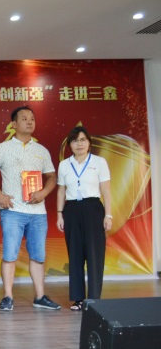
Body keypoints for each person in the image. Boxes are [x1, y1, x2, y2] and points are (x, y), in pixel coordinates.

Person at [0, 106, 61, 312]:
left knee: (38, 256)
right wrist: (0, 195)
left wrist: (43, 193)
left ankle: (40, 296)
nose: (29, 122)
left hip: (38, 212)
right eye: (24, 118)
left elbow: (52, 177)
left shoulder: (41, 150)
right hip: (12, 210)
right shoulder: (3, 148)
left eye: (32, 119)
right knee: (10, 254)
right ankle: (8, 296)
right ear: (13, 124)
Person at [56, 126, 112, 310]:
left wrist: (108, 215)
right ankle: (78, 299)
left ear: (89, 142)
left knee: (95, 254)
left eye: (82, 140)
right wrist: (59, 214)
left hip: (93, 208)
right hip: (71, 210)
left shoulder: (99, 162)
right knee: (75, 254)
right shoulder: (64, 165)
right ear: (69, 144)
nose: (79, 144)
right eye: (74, 141)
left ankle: (94, 299)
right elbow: (61, 190)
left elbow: (106, 190)